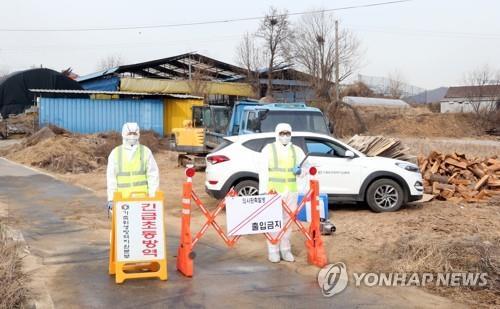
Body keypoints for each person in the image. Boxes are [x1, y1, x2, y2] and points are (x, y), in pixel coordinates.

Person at [259, 123, 306, 263]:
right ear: (276, 133)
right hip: (274, 190)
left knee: (288, 222)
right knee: (273, 221)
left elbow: (306, 168)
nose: (285, 136)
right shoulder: (269, 149)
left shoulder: (296, 150)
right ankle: (273, 250)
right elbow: (263, 171)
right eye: (282, 133)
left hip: (291, 190)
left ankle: (285, 250)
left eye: (287, 133)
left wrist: (300, 171)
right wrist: (263, 191)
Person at [106, 123, 160, 213]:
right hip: (122, 202)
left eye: (134, 133)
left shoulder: (145, 151)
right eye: (129, 133)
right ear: (123, 134)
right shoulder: (115, 153)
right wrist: (111, 199)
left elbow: (153, 175)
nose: (132, 136)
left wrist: (153, 197)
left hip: (143, 202)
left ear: (138, 134)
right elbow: (111, 179)